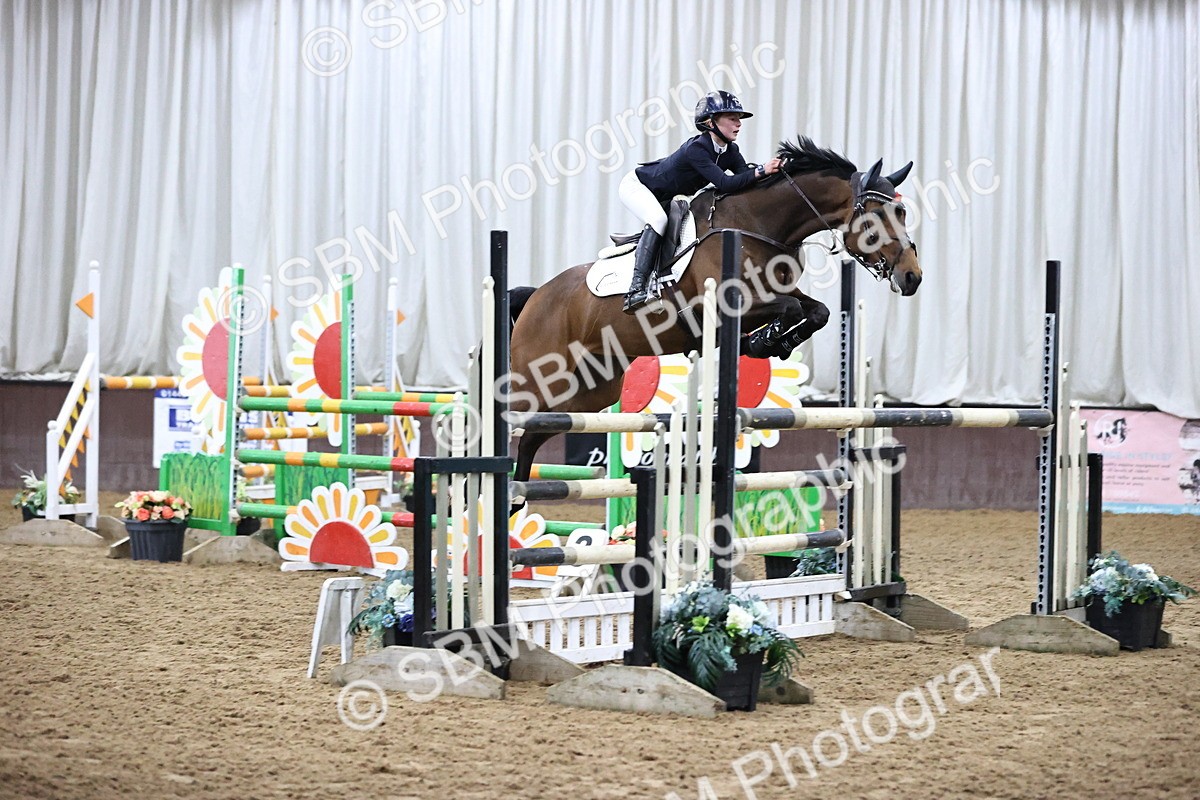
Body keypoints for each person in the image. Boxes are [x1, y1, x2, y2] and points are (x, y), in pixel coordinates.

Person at [619, 90, 783, 313]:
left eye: (739, 119)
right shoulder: (696, 148)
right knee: (658, 220)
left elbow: (745, 180)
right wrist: (762, 170)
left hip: (667, 196)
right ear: (710, 122)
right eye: (732, 118)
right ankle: (635, 290)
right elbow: (725, 183)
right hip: (637, 186)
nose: (738, 124)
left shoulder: (731, 151)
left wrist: (776, 175)